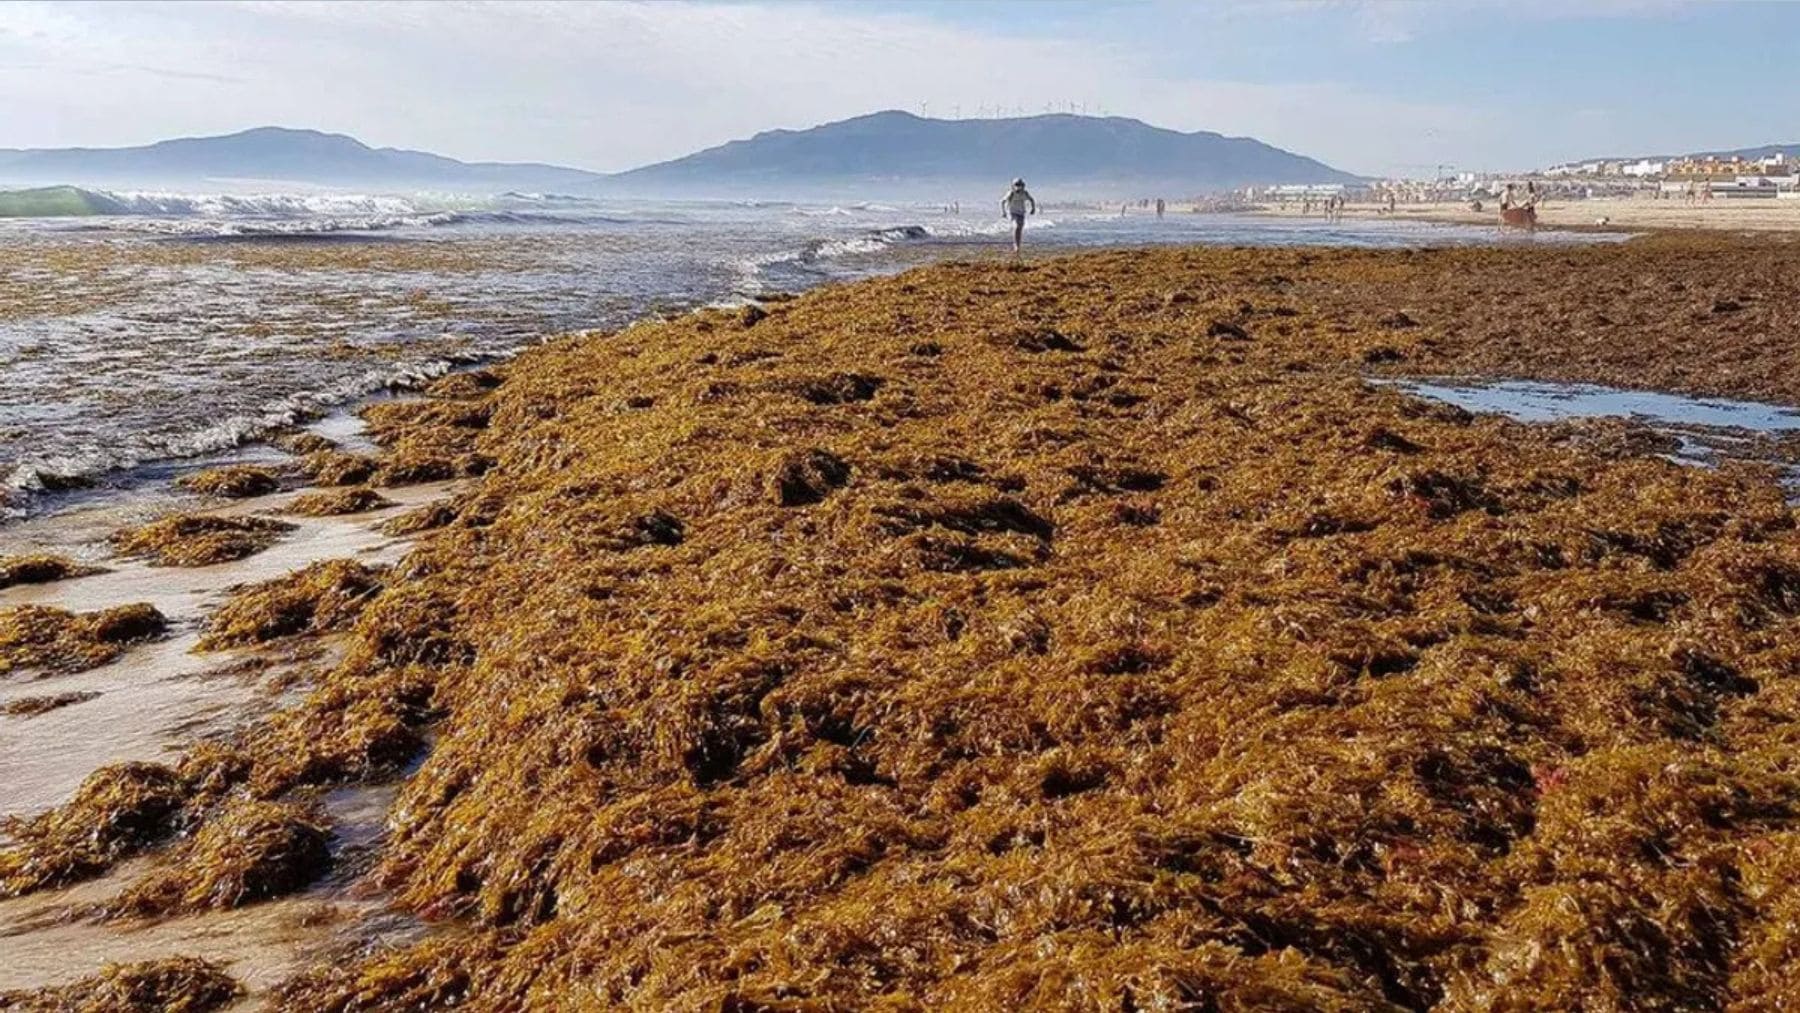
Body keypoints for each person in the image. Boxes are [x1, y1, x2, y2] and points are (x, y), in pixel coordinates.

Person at [1001, 178, 1037, 253]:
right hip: (1012, 212)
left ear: (1023, 186)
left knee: (1019, 228)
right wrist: (1003, 212)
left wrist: (1033, 209)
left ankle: (1018, 245)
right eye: (1017, 185)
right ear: (1013, 186)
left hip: (1021, 213)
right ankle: (1016, 246)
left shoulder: (1025, 193)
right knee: (1017, 226)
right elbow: (1002, 201)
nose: (1019, 187)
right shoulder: (1011, 193)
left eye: (1020, 185)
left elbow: (1031, 200)